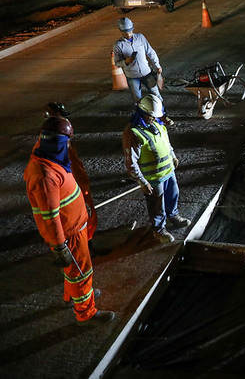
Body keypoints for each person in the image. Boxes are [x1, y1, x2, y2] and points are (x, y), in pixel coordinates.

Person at [24, 116, 116, 326]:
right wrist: (60, 247)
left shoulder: (47, 155)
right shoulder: (45, 176)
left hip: (74, 226)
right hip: (68, 234)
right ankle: (86, 313)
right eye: (66, 142)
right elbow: (51, 217)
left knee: (73, 271)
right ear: (58, 143)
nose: (68, 146)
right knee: (81, 272)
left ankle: (73, 295)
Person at [121, 94, 190, 243]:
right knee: (157, 204)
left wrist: (173, 156)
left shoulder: (157, 124)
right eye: (151, 116)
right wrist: (142, 181)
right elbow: (131, 162)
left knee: (173, 195)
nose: (154, 119)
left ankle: (173, 216)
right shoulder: (132, 133)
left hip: (168, 171)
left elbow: (166, 142)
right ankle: (159, 230)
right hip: (153, 178)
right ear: (142, 113)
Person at [39, 102, 97, 241]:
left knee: (87, 217)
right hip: (73, 190)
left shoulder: (57, 140)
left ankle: (86, 240)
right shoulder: (55, 149)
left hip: (77, 184)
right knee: (80, 222)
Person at [113, 17, 172, 124]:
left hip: (146, 73)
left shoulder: (140, 37)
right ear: (121, 31)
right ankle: (143, 121)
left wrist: (157, 66)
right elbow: (117, 63)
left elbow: (150, 52)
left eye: (130, 31)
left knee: (156, 95)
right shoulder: (118, 45)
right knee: (138, 100)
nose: (128, 34)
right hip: (132, 77)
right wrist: (125, 61)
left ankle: (163, 116)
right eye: (125, 33)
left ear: (133, 29)